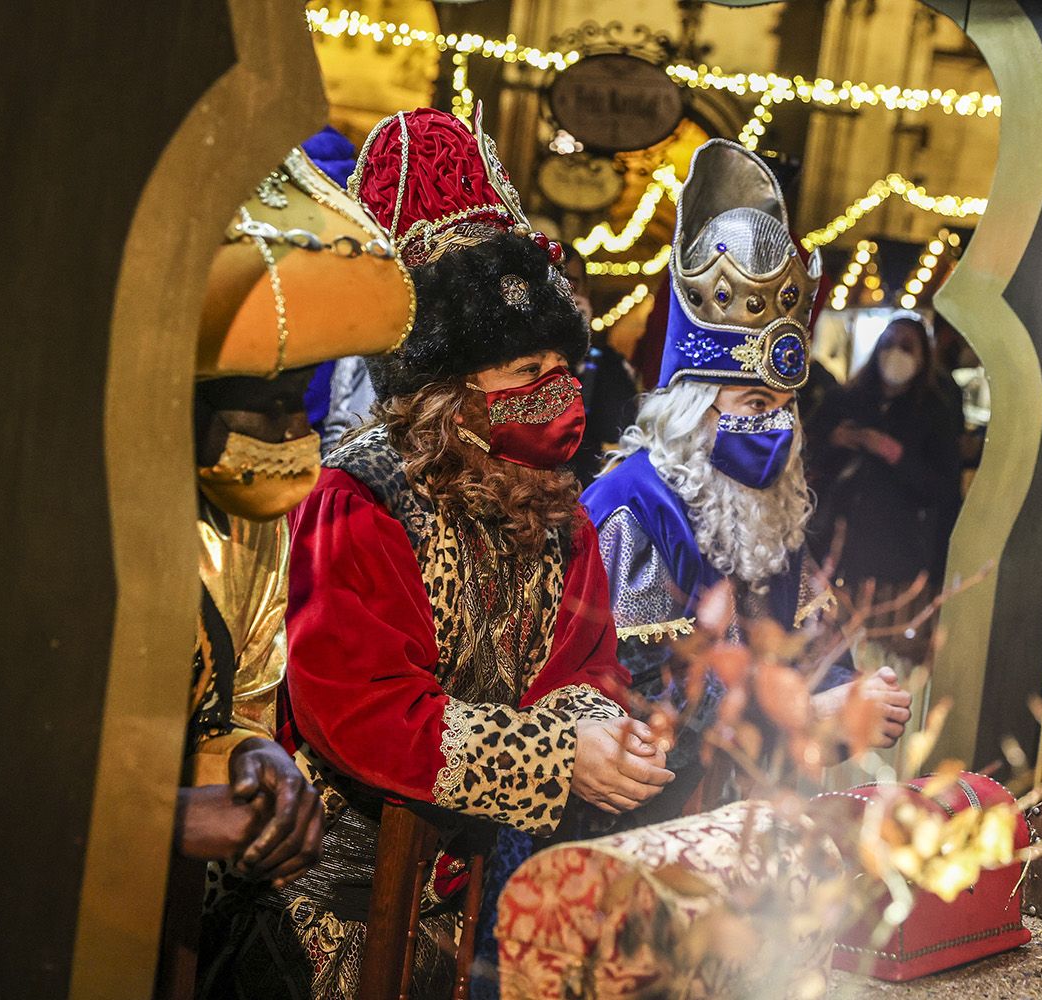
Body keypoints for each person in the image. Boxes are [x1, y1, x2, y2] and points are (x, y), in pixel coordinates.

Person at [201, 107, 672, 999]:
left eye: (557, 367)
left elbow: (587, 665)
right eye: (521, 373)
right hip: (318, 918)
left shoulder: (557, 512)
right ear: (448, 389)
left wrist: (595, 732)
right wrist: (552, 758)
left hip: (460, 909)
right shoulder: (360, 496)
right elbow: (360, 709)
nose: (554, 394)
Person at [583, 139, 911, 823]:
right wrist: (796, 713)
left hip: (745, 827)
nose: (779, 432)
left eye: (787, 408)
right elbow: (633, 691)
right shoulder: (632, 506)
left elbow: (818, 651)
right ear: (695, 409)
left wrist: (855, 697)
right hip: (629, 834)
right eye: (756, 408)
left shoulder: (772, 511)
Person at [176, 139, 416, 988]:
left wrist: (255, 759)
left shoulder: (253, 522)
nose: (287, 439)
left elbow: (235, 705)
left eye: (297, 405)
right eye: (261, 407)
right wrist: (162, 822)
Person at [805, 311, 964, 662]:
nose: (895, 353)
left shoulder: (934, 412)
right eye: (888, 344)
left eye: (906, 346)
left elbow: (941, 489)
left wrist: (894, 454)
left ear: (922, 357)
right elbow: (805, 456)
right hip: (834, 550)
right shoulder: (844, 400)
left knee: (883, 656)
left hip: (896, 560)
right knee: (825, 653)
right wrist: (835, 439)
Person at [563, 245, 641, 486]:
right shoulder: (515, 357)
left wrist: (580, 339)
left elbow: (618, 429)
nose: (563, 293)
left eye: (571, 284)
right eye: (555, 282)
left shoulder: (605, 363)